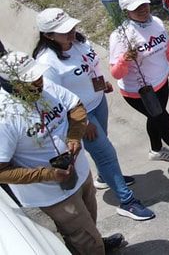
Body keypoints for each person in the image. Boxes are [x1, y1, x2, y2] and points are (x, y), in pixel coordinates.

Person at [31, 8, 155, 221]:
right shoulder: (47, 63)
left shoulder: (78, 42)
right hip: (80, 116)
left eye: (71, 26)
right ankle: (127, 202)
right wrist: (81, 122)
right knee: (107, 153)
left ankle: (105, 177)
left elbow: (89, 65)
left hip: (98, 102)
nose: (71, 32)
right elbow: (55, 100)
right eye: (64, 31)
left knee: (102, 148)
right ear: (48, 36)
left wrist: (100, 83)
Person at [0, 52, 125, 254]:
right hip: (52, 193)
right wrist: (46, 174)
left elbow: (75, 106)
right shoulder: (5, 116)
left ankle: (93, 243)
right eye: (31, 80)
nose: (39, 82)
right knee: (82, 234)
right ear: (14, 85)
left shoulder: (44, 85)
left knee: (88, 221)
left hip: (80, 171)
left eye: (38, 76)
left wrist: (74, 136)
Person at [109, 0, 169, 163]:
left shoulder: (156, 22)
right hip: (139, 92)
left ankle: (156, 150)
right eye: (136, 8)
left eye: (144, 4)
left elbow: (168, 50)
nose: (142, 9)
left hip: (161, 82)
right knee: (163, 120)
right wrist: (125, 59)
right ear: (126, 12)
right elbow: (116, 73)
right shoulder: (120, 36)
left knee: (156, 117)